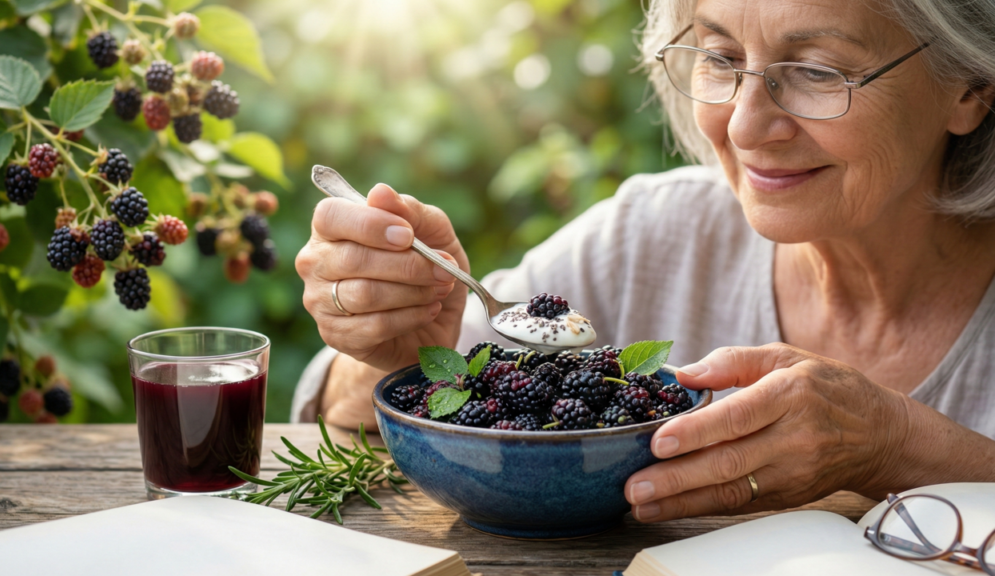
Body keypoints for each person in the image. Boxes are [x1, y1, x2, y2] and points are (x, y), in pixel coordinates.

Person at [294, 0, 995, 524]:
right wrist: (394, 349)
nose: (745, 125)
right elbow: (352, 412)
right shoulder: (650, 237)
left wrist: (898, 445)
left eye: (816, 71)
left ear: (969, 83)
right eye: (720, 59)